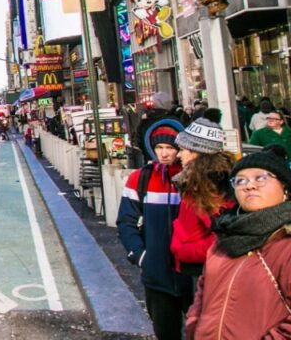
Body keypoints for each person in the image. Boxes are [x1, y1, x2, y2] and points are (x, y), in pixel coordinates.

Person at [185, 145, 291, 338]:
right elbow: (202, 293)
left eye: (261, 177)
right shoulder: (224, 239)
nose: (249, 185)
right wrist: (194, 326)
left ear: (285, 187)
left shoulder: (285, 242)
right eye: (240, 180)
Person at [117, 118, 191, 340]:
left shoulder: (194, 178)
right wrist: (141, 257)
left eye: (170, 147)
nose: (165, 153)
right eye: (160, 147)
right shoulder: (140, 178)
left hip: (193, 276)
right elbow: (126, 222)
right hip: (156, 276)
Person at [170, 114, 235, 288]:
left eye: (183, 149)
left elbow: (223, 235)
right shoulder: (202, 182)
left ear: (197, 152)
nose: (179, 155)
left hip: (203, 267)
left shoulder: (205, 185)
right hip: (201, 265)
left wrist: (182, 249)